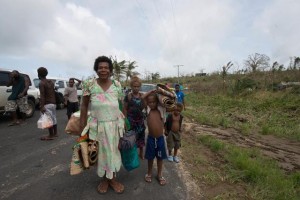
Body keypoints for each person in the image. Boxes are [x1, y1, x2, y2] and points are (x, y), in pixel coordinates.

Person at [79, 56, 125, 194]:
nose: (103, 70)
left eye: (106, 67)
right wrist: (82, 128)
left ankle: (113, 179)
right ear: (96, 69)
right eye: (100, 67)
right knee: (100, 154)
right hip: (97, 126)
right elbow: (84, 106)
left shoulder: (117, 85)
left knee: (114, 152)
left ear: (110, 70)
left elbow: (121, 105)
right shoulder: (89, 85)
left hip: (115, 125)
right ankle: (105, 179)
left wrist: (125, 123)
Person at [143, 89, 168, 186]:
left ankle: (159, 175)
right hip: (150, 138)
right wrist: (151, 91)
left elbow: (169, 100)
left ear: (157, 101)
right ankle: (149, 173)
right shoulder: (147, 110)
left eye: (154, 102)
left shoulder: (161, 109)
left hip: (160, 139)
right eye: (150, 102)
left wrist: (160, 92)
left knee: (160, 158)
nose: (151, 104)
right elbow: (143, 98)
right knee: (150, 158)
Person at [123, 76, 146, 159]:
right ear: (131, 87)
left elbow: (143, 107)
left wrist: (143, 100)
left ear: (140, 86)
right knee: (131, 137)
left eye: (138, 86)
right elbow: (125, 108)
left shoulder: (142, 96)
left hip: (140, 121)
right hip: (131, 121)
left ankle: (141, 153)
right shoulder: (128, 96)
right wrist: (125, 119)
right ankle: (133, 154)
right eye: (134, 86)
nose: (136, 88)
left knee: (141, 136)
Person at [37, 67, 58, 140]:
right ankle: (55, 133)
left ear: (39, 74)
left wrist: (42, 106)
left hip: (47, 104)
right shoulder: (51, 82)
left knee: (48, 120)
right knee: (54, 118)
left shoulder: (41, 83)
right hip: (53, 103)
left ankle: (51, 135)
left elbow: (42, 95)